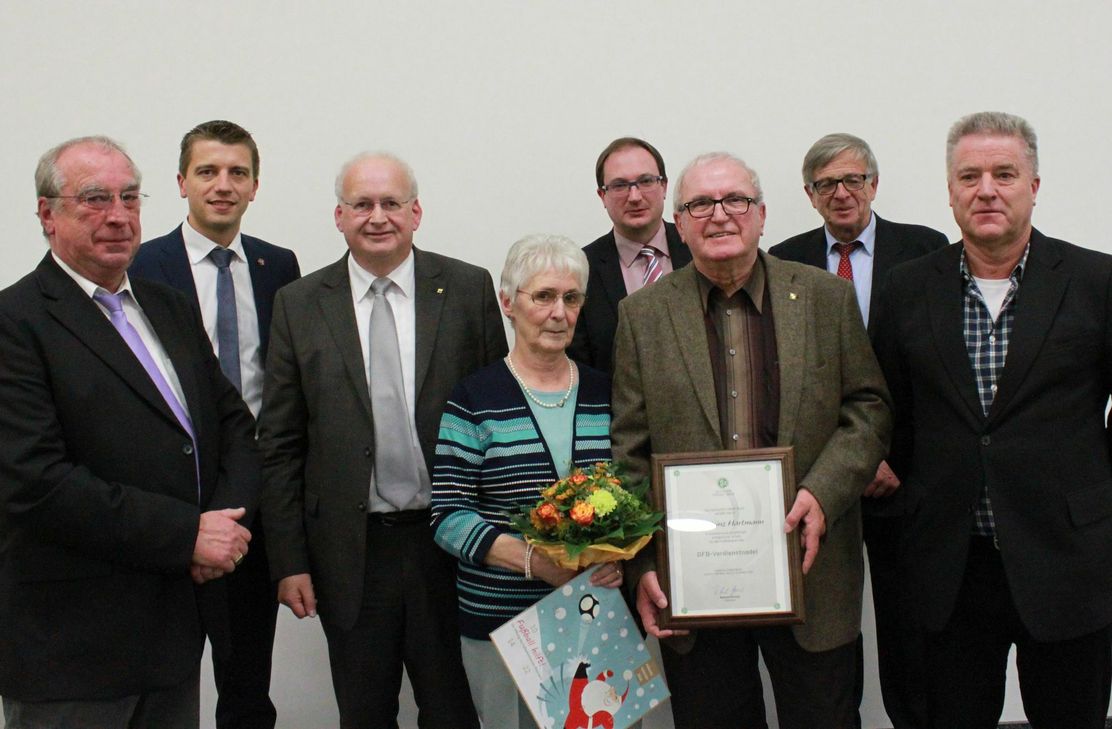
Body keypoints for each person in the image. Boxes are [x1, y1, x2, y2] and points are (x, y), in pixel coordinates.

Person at [612, 152, 891, 729]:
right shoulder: (642, 316)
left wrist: (823, 492)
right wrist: (643, 565)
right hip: (692, 585)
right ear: (679, 223)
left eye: (735, 200)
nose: (719, 215)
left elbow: (868, 409)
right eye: (699, 204)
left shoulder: (825, 298)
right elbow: (629, 451)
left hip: (811, 572)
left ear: (762, 214)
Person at [0, 136, 260, 728]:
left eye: (129, 197)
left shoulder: (169, 307)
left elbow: (234, 428)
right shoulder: (15, 322)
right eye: (94, 199)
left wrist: (224, 529)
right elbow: (35, 482)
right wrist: (186, 535)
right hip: (71, 649)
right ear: (47, 214)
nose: (118, 216)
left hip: (173, 636)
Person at [875, 111, 1112, 729]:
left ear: (1034, 186)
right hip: (951, 564)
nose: (986, 190)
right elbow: (888, 404)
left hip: (1066, 557)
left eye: (1004, 174)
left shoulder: (1096, 281)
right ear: (950, 191)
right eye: (969, 176)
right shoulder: (907, 289)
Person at [258, 152, 505, 728]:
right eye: (362, 204)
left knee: (455, 712)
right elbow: (281, 443)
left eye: (391, 203)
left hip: (450, 543)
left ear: (416, 212)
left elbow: (497, 418)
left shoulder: (467, 288)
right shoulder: (299, 304)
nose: (377, 217)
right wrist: (289, 561)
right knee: (365, 713)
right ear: (339, 216)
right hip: (350, 551)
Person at [770, 132, 947, 729]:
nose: (841, 193)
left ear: (874, 184)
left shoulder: (925, 250)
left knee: (908, 626)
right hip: (823, 481)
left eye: (853, 179)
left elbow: (935, 371)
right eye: (826, 184)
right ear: (810, 195)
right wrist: (842, 468)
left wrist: (889, 456)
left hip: (903, 478)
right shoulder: (785, 260)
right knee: (830, 630)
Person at [130, 119, 300, 729]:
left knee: (247, 683)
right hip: (169, 501)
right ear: (182, 182)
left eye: (237, 173)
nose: (222, 185)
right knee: (159, 682)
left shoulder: (278, 266)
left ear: (255, 185)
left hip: (252, 501)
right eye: (207, 171)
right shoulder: (141, 266)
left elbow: (286, 385)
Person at [431, 233, 622, 727]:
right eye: (543, 296)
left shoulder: (606, 393)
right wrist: (539, 564)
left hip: (595, 615)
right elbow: (448, 516)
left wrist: (620, 557)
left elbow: (630, 500)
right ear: (508, 304)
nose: (559, 313)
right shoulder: (474, 398)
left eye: (571, 298)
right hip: (504, 624)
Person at [568, 137, 692, 374]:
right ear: (602, 196)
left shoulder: (699, 251)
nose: (634, 196)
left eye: (646, 181)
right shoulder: (580, 269)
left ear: (664, 186)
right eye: (619, 186)